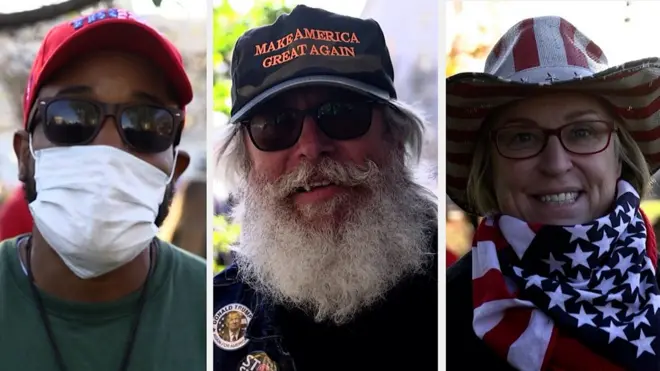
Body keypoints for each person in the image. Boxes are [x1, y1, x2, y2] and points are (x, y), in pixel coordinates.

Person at [213, 5, 438, 371]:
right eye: (276, 124)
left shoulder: (462, 298)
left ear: (395, 137)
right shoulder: (212, 322)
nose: (312, 148)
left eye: (342, 113)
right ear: (245, 161)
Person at [446, 16, 660, 370]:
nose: (556, 164)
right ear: (489, 169)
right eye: (522, 137)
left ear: (619, 157)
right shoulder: (442, 313)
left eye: (582, 132)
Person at [0, 8, 206, 371]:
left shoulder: (215, 308)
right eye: (71, 116)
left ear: (175, 171)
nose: (109, 147)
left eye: (147, 123)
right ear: (23, 156)